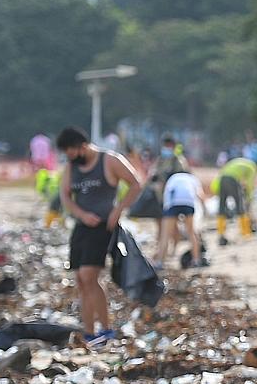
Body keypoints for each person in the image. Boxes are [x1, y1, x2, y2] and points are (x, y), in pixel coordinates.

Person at [57, 125, 142, 345]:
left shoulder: (109, 160)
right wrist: (81, 214)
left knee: (89, 276)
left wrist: (118, 209)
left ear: (83, 146)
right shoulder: (71, 167)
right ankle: (89, 332)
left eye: (72, 152)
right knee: (81, 280)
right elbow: (65, 196)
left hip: (103, 226)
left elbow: (135, 184)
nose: (70, 157)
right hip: (82, 226)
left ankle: (105, 328)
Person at [158, 167, 208, 270]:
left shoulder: (172, 178)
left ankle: (160, 262)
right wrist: (205, 211)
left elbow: (166, 196)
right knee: (191, 232)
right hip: (188, 202)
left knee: (166, 234)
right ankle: (196, 260)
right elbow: (200, 195)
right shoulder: (192, 178)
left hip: (172, 203)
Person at [215, 155, 257, 244]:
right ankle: (246, 233)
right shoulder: (252, 168)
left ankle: (221, 234)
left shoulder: (241, 163)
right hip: (232, 179)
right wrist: (249, 197)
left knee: (222, 208)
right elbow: (249, 184)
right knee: (240, 206)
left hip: (222, 179)